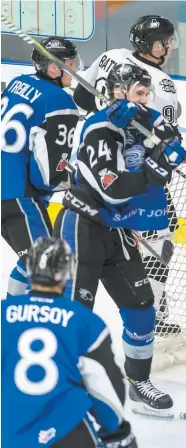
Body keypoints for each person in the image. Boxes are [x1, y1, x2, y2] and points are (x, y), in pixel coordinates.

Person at [54, 62, 186, 417]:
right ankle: (60, 389)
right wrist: (154, 171)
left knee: (142, 309)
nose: (146, 100)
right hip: (81, 228)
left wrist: (168, 148)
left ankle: (138, 384)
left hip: (117, 231)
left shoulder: (140, 123)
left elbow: (167, 146)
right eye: (139, 93)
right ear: (117, 93)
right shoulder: (100, 128)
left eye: (148, 93)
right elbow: (113, 189)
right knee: (74, 316)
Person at [73, 14, 182, 334]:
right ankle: (154, 312)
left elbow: (81, 98)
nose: (170, 46)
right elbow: (163, 137)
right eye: (165, 40)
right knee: (163, 229)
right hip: (127, 170)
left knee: (96, 235)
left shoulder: (111, 57)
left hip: (91, 161)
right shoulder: (161, 86)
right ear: (150, 44)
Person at [1, 236, 136, 448]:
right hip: (65, 432)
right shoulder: (85, 322)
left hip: (8, 433)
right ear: (67, 272)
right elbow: (105, 387)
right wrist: (116, 429)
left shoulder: (3, 314)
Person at [1, 37, 80, 298]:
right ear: (54, 68)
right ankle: (26, 329)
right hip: (18, 197)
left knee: (30, 262)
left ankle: (8, 321)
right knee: (50, 265)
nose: (76, 69)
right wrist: (72, 179)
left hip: (5, 187)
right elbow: (46, 175)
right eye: (70, 63)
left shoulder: (17, 82)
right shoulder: (60, 102)